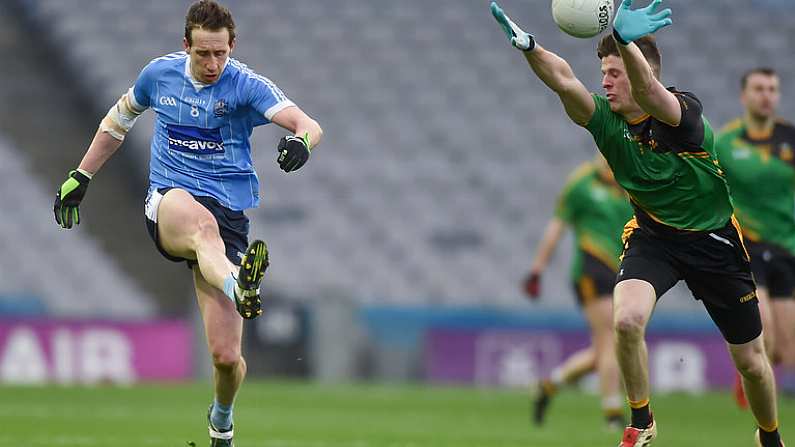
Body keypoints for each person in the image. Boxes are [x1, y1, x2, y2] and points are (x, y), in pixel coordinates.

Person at [490, 1, 783, 446]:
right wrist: (530, 47)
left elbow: (648, 92)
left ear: (641, 71)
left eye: (615, 73)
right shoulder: (605, 124)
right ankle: (642, 422)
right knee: (626, 321)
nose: (605, 82)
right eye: (603, 73)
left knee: (752, 362)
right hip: (655, 238)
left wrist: (625, 41)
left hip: (714, 242)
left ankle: (769, 436)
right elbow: (564, 81)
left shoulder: (682, 114)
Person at [52, 1, 322, 445]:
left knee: (226, 358)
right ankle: (241, 286)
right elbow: (117, 123)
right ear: (186, 46)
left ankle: (221, 422)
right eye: (203, 54)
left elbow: (308, 124)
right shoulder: (159, 75)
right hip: (169, 202)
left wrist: (302, 143)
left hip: (228, 217)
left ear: (232, 47)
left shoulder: (246, 85)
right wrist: (81, 175)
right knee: (200, 228)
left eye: (220, 53)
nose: (212, 63)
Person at [525, 155, 631, 430]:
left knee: (601, 353)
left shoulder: (631, 178)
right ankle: (613, 416)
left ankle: (548, 386)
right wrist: (537, 269)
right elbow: (557, 225)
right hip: (591, 268)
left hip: (623, 270)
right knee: (612, 339)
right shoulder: (582, 182)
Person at [716, 67, 795, 406]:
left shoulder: (790, 139)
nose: (767, 95)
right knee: (762, 326)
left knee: (783, 348)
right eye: (759, 88)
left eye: (773, 89)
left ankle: (749, 367)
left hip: (786, 246)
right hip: (746, 245)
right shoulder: (726, 142)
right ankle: (754, 387)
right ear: (744, 96)